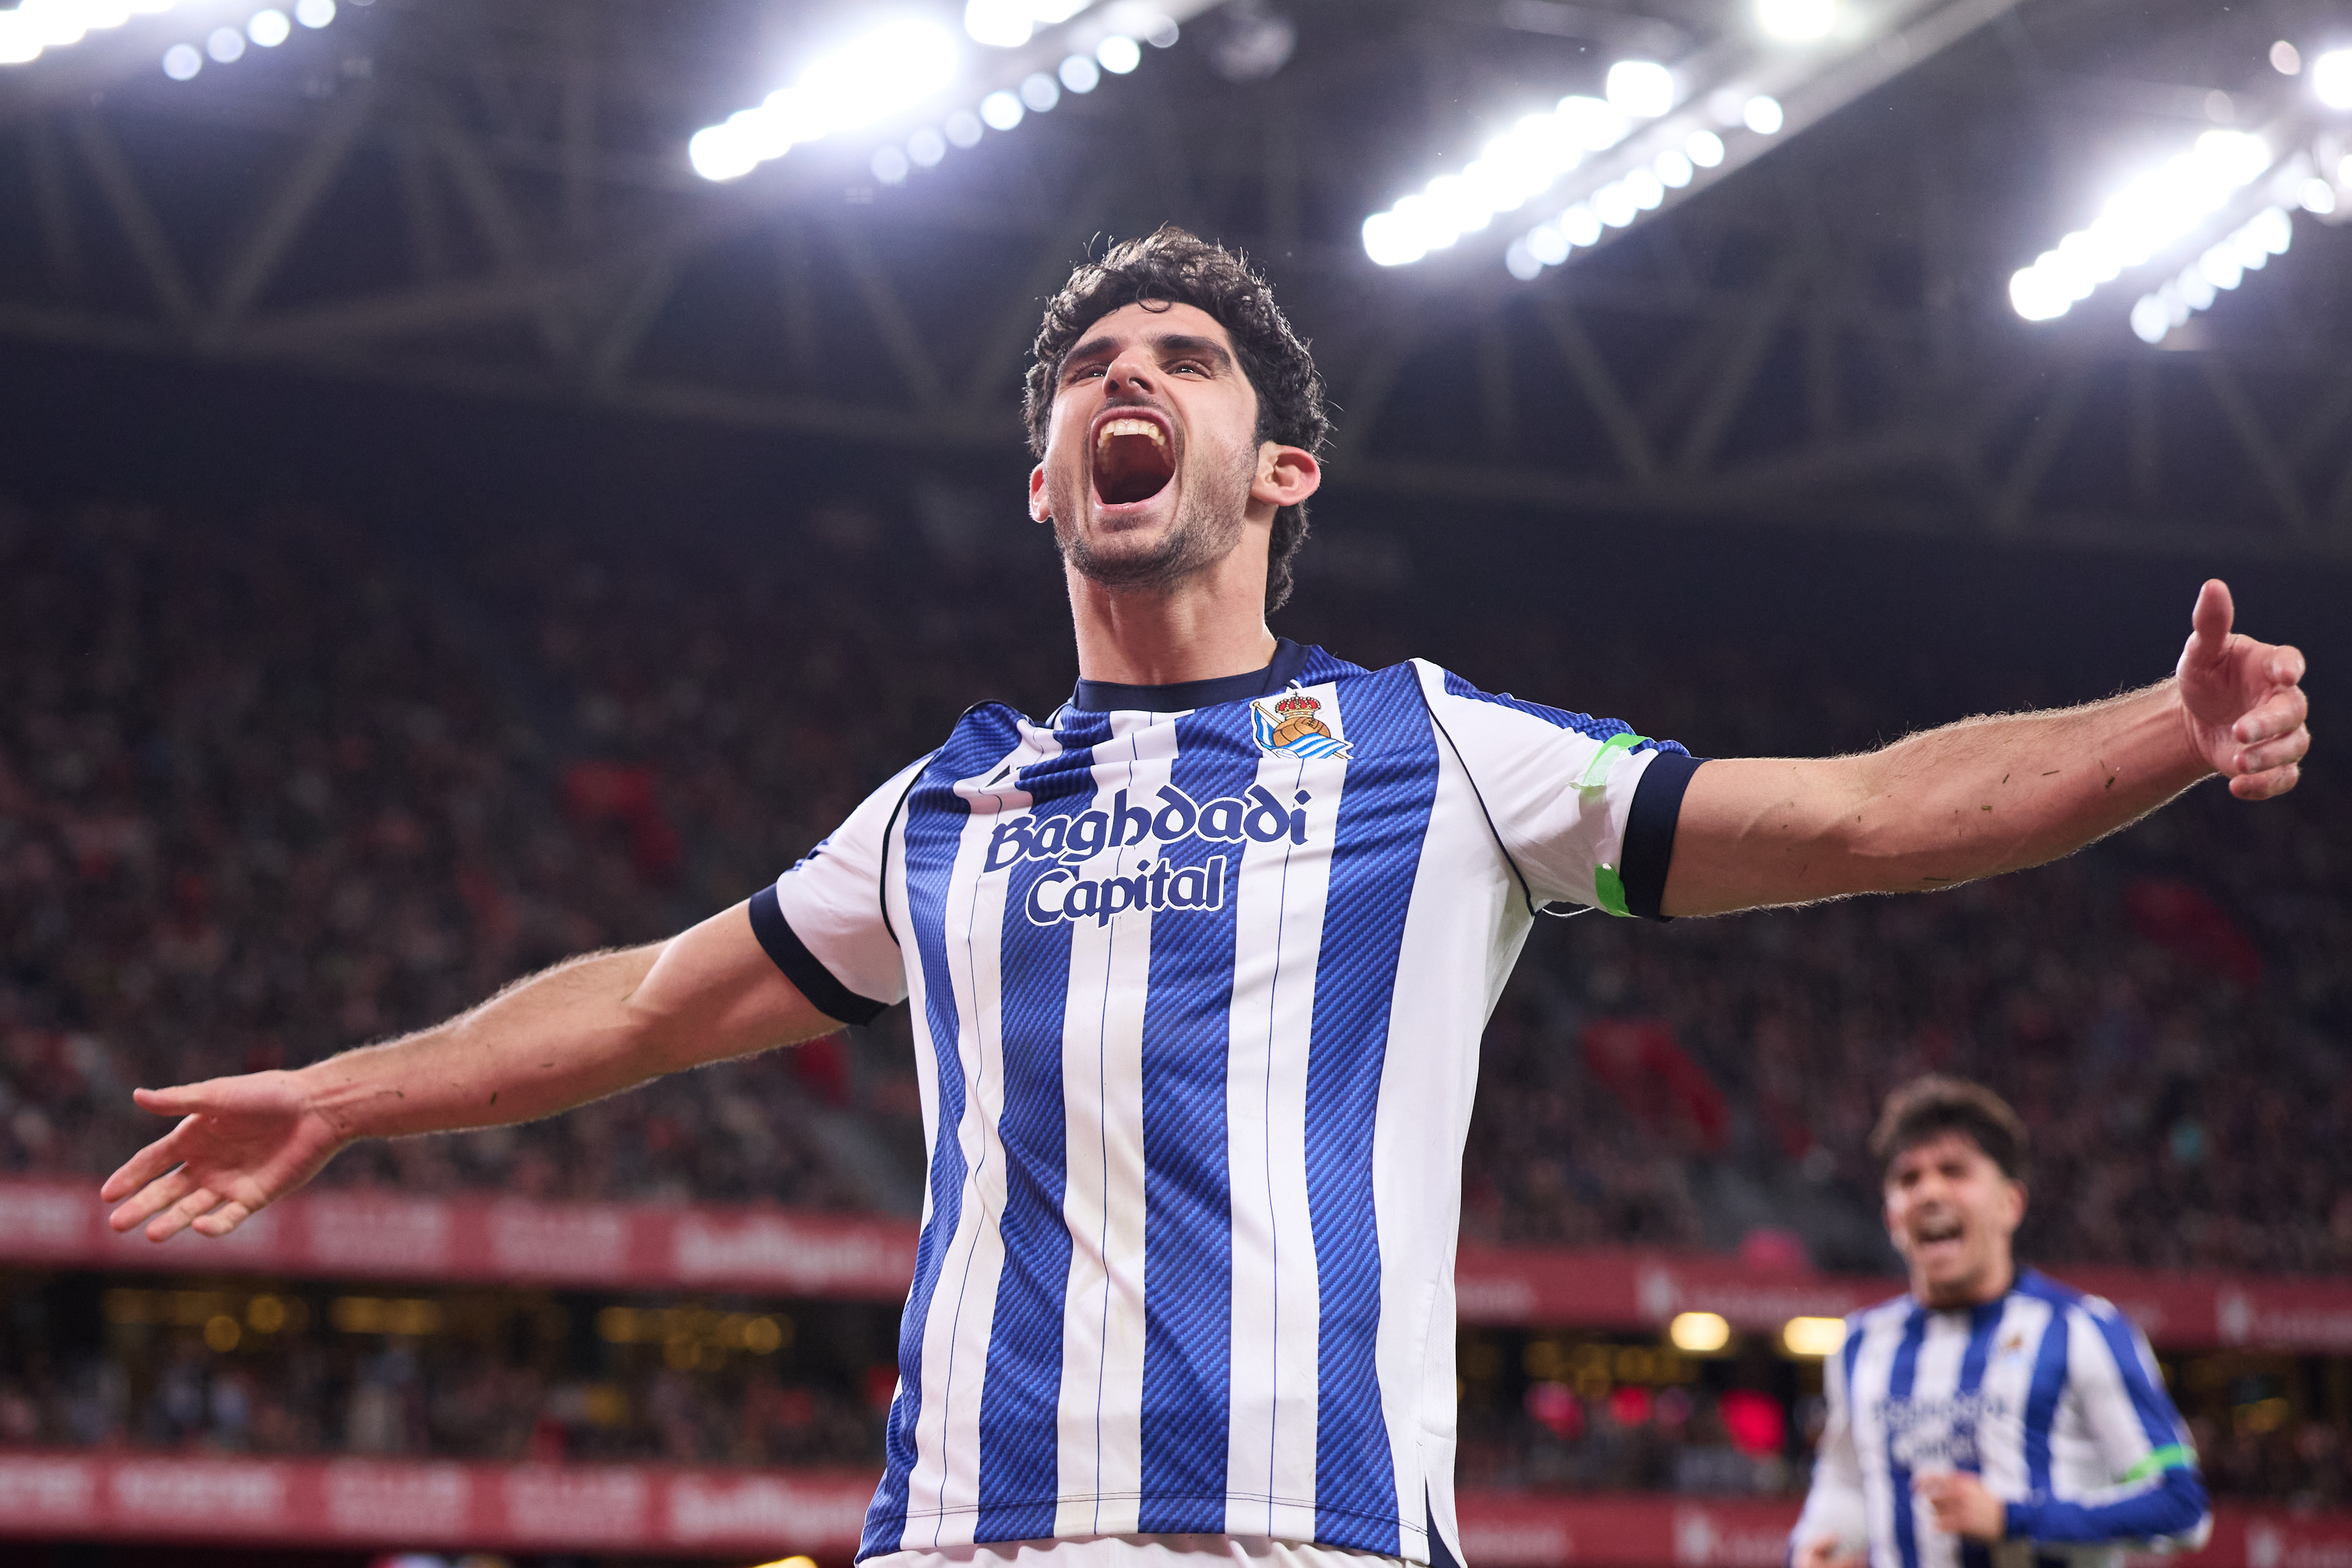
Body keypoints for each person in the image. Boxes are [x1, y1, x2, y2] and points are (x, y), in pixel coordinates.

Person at [103, 228, 2305, 1568]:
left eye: (1181, 359)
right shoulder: (941, 808)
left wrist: (2159, 731)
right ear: (1042, 476)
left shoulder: (1436, 754)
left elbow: (1844, 819)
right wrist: (346, 1098)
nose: (1120, 379)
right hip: (963, 1532)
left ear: (1281, 470)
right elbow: (650, 1002)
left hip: (1313, 1530)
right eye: (1083, 371)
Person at [1789, 1078, 2210, 1568]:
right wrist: (1812, 1550)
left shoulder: (2082, 1332)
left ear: (2010, 1203)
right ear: (1890, 1219)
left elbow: (2181, 1508)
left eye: (1953, 1172)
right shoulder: (1859, 1346)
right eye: (1907, 1179)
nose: (1928, 1192)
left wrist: (2013, 1517)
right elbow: (1842, 1485)